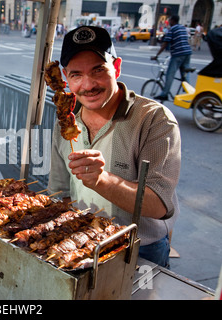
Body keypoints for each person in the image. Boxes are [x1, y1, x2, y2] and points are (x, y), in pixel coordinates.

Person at [48, 26, 181, 268]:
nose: (88, 85)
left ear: (116, 67)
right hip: (82, 242)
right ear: (66, 77)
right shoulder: (66, 120)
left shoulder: (155, 119)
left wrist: (102, 180)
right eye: (77, 74)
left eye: (98, 70)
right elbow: (59, 191)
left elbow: (160, 206)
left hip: (140, 249)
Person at [151, 15, 192, 101]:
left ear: (173, 21)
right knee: (185, 72)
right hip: (187, 52)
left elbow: (165, 44)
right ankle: (189, 91)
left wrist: (156, 55)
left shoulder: (172, 29)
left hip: (178, 54)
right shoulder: (182, 28)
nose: (169, 22)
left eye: (169, 20)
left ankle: (164, 94)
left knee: (170, 74)